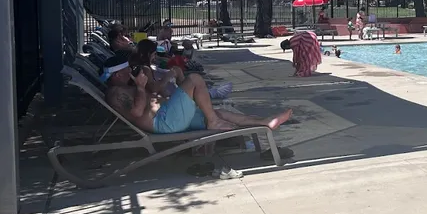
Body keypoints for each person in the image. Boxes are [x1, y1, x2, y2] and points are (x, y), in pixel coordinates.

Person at [101, 55, 294, 161]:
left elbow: (152, 91)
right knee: (195, 80)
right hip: (164, 122)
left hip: (168, 114)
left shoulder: (125, 85)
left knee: (220, 112)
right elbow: (135, 112)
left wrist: (149, 81)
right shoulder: (115, 93)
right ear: (116, 75)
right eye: (125, 70)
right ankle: (212, 121)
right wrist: (141, 88)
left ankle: (266, 122)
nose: (129, 72)